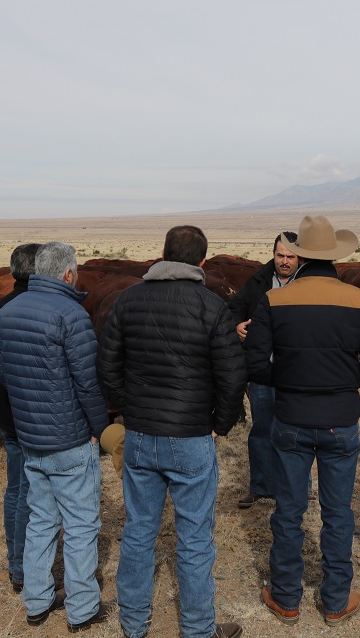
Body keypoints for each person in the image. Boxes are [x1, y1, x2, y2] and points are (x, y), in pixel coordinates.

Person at [246, 215, 360, 627]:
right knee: (338, 512)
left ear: (302, 256)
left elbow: (256, 364)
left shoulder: (274, 301)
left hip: (290, 418)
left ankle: (287, 599)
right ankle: (335, 601)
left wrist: (289, 380)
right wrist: (345, 382)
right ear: (335, 257)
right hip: (340, 422)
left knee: (289, 511)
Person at [98, 225, 246, 638]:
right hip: (192, 436)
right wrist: (219, 424)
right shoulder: (211, 306)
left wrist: (130, 408)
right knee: (195, 537)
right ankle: (198, 629)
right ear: (202, 262)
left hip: (142, 435)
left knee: (139, 529)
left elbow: (106, 365)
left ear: (163, 254)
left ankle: (133, 624)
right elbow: (234, 375)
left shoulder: (128, 300)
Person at [0, 241, 113, 631]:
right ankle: (82, 608)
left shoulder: (6, 313)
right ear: (67, 274)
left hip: (30, 438)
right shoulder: (71, 314)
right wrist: (100, 430)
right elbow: (88, 383)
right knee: (80, 525)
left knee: (41, 521)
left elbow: (5, 379)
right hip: (71, 438)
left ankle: (37, 601)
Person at [227, 231, 298, 509]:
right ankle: (261, 485)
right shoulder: (257, 280)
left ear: (299, 257)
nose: (284, 261)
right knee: (261, 429)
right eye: (280, 255)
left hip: (295, 370)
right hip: (262, 368)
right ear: (273, 254)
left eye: (290, 256)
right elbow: (234, 307)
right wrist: (236, 325)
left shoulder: (306, 283)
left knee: (294, 431)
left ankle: (295, 486)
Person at [0, 242, 40, 594]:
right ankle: (23, 568)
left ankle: (17, 563)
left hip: (8, 412)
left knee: (16, 488)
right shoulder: (37, 309)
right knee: (30, 493)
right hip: (35, 418)